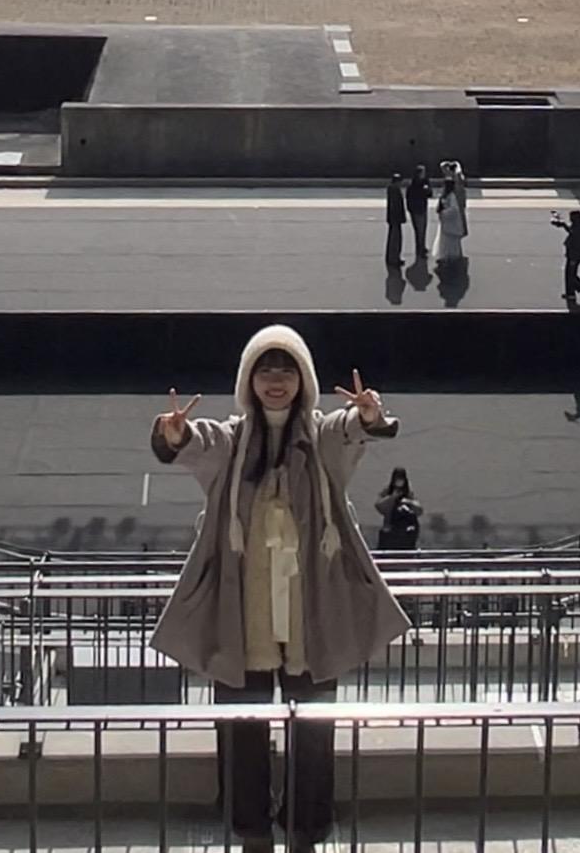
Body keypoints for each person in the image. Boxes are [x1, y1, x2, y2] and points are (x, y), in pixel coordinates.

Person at [149, 324, 408, 853]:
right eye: (265, 370)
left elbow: (353, 429)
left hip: (310, 609)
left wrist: (370, 416)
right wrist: (174, 435)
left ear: (302, 380)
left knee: (313, 729)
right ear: (249, 380)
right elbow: (197, 443)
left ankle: (305, 829)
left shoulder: (321, 437)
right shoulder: (232, 440)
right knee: (241, 725)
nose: (275, 380)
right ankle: (252, 831)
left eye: (286, 370)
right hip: (243, 612)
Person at [375, 468, 423, 552]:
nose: (399, 481)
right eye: (397, 479)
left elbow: (419, 510)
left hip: (406, 530)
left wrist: (408, 502)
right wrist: (392, 497)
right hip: (390, 527)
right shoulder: (388, 491)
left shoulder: (408, 492)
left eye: (401, 479)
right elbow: (379, 506)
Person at [432, 162, 468, 267]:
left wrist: (443, 213)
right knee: (448, 240)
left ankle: (451, 256)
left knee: (450, 241)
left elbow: (453, 209)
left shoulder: (451, 196)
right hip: (448, 222)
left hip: (450, 221)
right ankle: (449, 256)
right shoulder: (449, 195)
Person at [553, 208, 580, 304]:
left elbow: (575, 240)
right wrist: (562, 224)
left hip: (574, 255)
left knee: (570, 274)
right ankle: (570, 293)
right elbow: (570, 230)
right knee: (569, 273)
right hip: (573, 254)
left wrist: (562, 224)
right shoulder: (578, 227)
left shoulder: (578, 230)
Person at [404, 165, 432, 262]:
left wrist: (427, 188)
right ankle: (420, 249)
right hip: (417, 210)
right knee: (419, 231)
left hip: (422, 209)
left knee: (422, 230)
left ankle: (422, 247)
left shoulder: (424, 183)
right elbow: (410, 197)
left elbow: (429, 194)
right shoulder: (414, 185)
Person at [384, 172, 406, 269]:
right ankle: (394, 259)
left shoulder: (392, 189)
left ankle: (393, 257)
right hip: (395, 218)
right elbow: (396, 206)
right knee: (395, 239)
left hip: (393, 218)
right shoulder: (395, 190)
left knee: (394, 239)